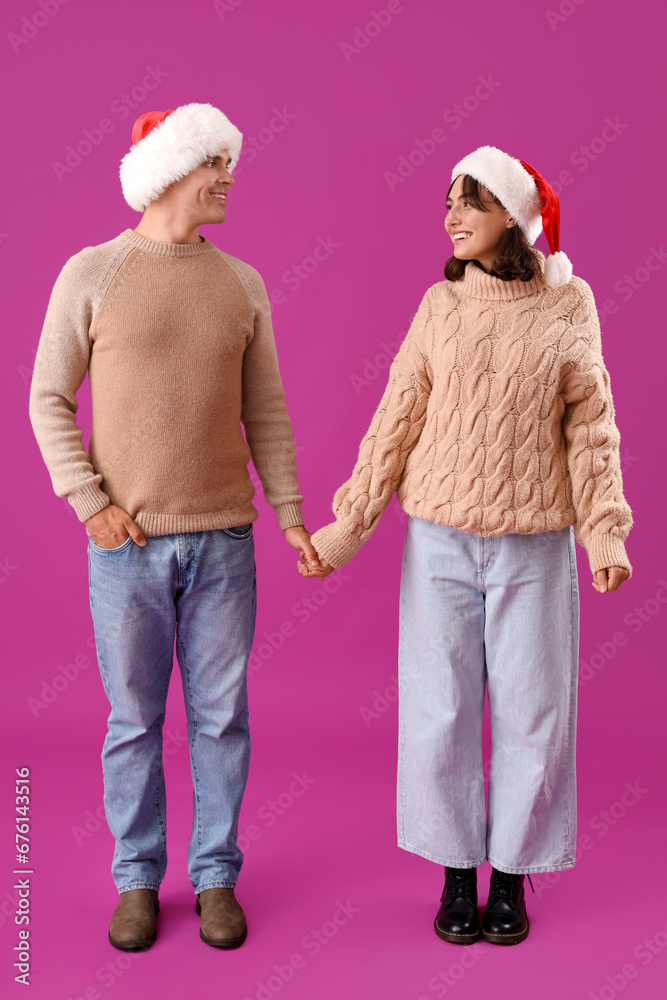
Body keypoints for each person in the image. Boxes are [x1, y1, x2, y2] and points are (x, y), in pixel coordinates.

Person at [302, 145, 633, 946]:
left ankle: (512, 877)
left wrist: (604, 533)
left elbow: (590, 427)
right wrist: (348, 524)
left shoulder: (569, 305)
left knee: (533, 711)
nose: (450, 215)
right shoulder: (437, 307)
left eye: (470, 203)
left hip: (533, 542)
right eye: (447, 200)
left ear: (512, 220)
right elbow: (396, 417)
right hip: (440, 540)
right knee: (437, 707)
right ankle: (456, 872)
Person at [28, 102, 321, 951]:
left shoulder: (243, 284)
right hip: (128, 547)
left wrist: (292, 516)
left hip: (226, 541)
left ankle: (217, 875)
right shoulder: (91, 272)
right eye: (216, 164)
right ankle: (136, 881)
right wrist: (91, 502)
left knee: (221, 717)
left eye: (230, 164)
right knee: (133, 720)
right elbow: (47, 398)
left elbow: (266, 410)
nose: (229, 179)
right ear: (170, 171)